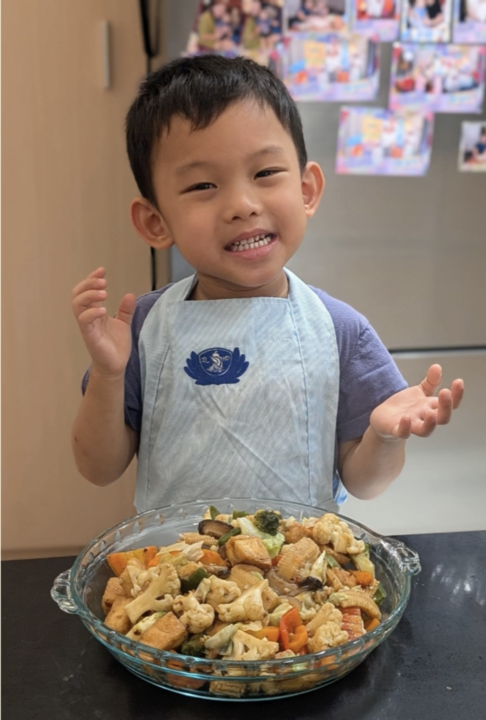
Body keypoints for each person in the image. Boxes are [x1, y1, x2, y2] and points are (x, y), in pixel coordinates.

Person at [71, 55, 463, 514]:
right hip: (173, 574)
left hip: (302, 574)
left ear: (306, 190)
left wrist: (382, 436)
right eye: (202, 185)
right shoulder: (144, 328)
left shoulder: (340, 331)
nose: (242, 204)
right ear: (156, 222)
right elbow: (98, 468)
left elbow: (365, 483)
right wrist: (109, 374)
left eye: (264, 173)